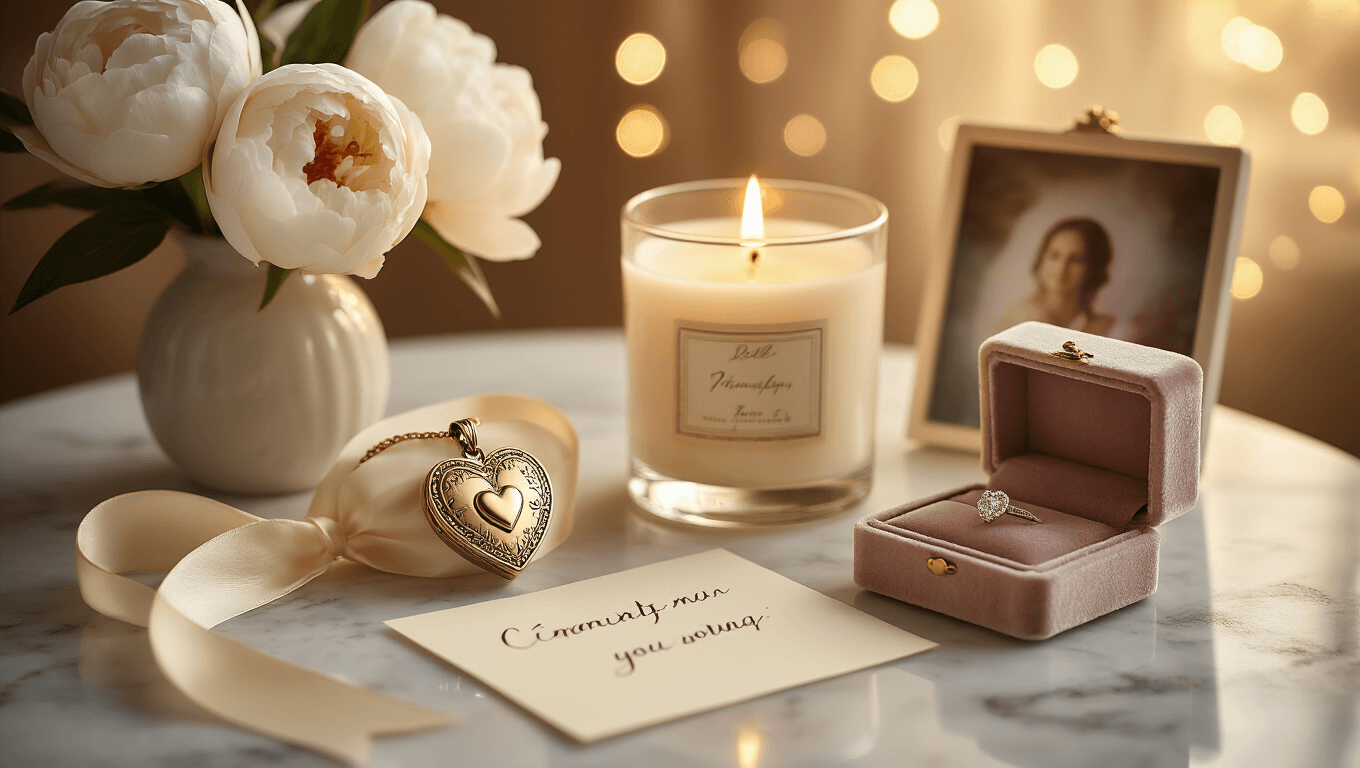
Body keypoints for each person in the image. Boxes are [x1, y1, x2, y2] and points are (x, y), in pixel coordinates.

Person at [1002, 217, 1115, 336]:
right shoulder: (1014, 324)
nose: (1061, 268)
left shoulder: (1111, 331)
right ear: (1041, 260)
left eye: (1075, 260)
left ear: (1093, 268)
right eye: (1054, 256)